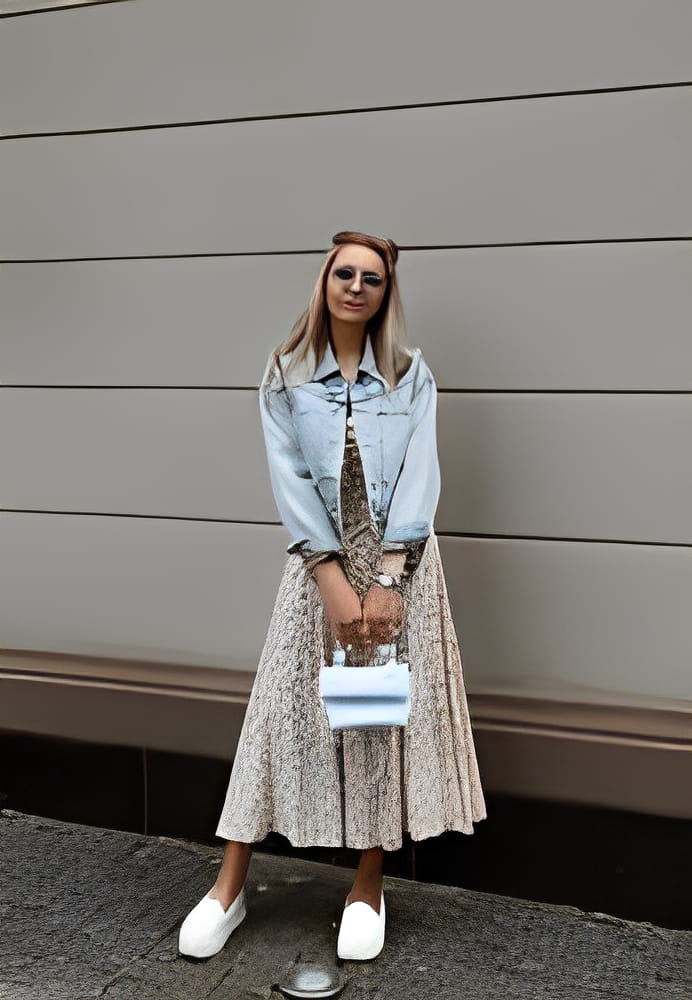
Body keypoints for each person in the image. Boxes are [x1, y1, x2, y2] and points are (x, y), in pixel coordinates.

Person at [178, 230, 487, 961]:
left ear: (386, 293)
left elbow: (420, 475)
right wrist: (330, 581)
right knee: (277, 716)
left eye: (371, 278)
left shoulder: (411, 374)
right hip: (316, 565)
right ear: (325, 283)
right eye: (344, 273)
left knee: (378, 717)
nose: (355, 286)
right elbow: (289, 479)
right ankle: (229, 885)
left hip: (398, 565)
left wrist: (385, 580)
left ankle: (367, 886)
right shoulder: (285, 375)